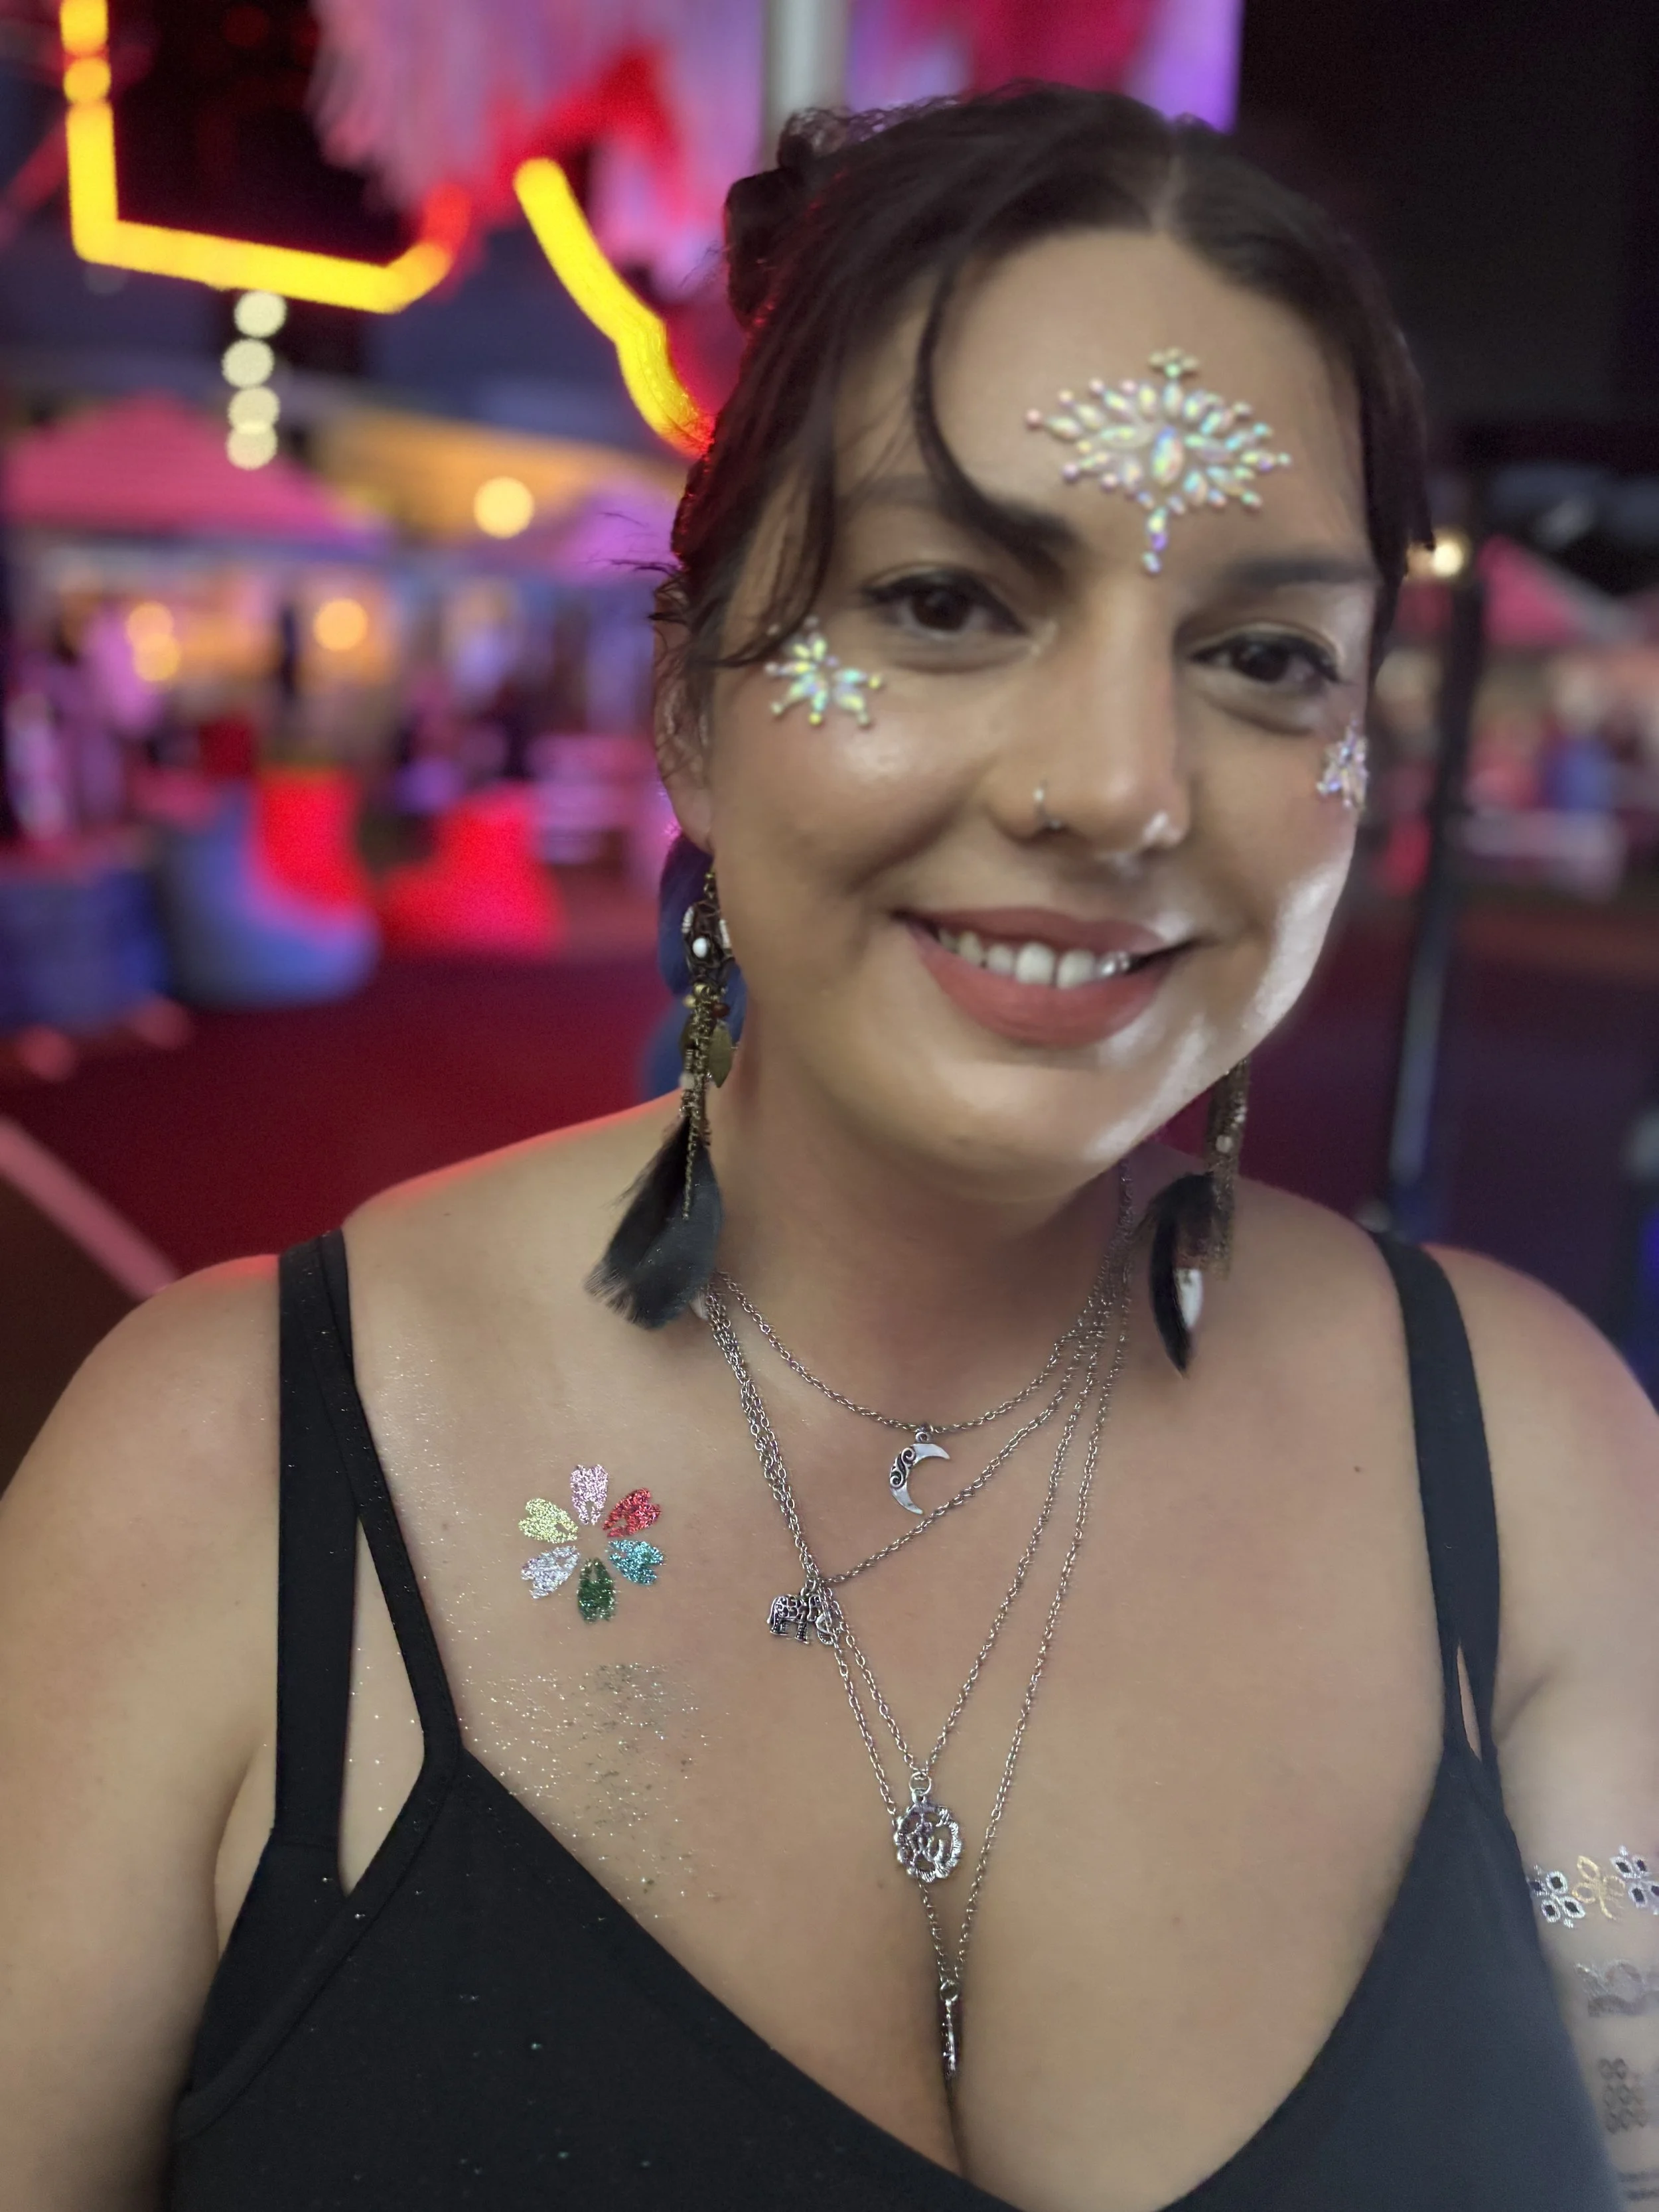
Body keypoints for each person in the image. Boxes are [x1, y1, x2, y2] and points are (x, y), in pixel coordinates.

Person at [1, 85, 1652, 2212]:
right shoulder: (227, 1478)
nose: (1118, 789)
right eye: (946, 601)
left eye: (1257, 655)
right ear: (688, 699)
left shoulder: (1534, 1470)